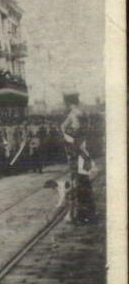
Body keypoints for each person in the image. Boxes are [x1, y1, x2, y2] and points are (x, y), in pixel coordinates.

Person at [60, 93, 96, 224]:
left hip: (76, 151)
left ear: (68, 103)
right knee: (84, 181)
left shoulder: (73, 114)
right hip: (84, 151)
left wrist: (67, 135)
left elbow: (66, 130)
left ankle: (79, 215)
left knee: (77, 182)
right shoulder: (84, 113)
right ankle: (89, 213)